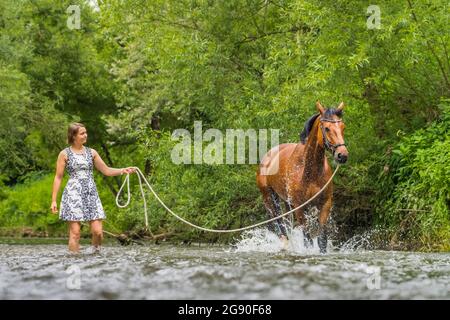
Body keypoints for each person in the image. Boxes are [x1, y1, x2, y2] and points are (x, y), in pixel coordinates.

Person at [51, 123, 135, 253]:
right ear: (73, 136)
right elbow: (58, 177)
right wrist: (54, 200)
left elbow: (106, 170)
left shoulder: (92, 153)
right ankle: (74, 261)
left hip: (91, 194)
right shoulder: (64, 154)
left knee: (98, 232)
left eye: (86, 132)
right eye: (82, 133)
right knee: (75, 233)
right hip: (73, 195)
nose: (85, 135)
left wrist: (123, 170)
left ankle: (95, 257)